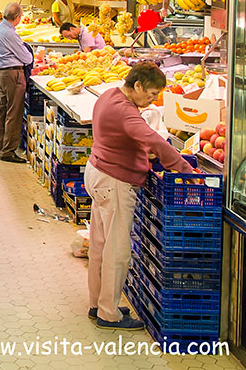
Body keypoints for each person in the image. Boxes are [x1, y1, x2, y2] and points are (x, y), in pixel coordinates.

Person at [86, 62, 195, 330]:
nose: (153, 100)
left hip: (98, 172)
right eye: (152, 94)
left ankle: (97, 303)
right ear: (137, 85)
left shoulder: (109, 95)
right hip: (115, 181)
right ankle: (108, 314)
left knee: (100, 244)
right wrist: (186, 169)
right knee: (117, 250)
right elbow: (154, 141)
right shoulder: (126, 112)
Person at [0, 2, 33, 163]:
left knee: (3, 110)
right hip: (12, 74)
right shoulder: (10, 33)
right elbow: (26, 57)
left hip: (2, 73)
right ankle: (8, 151)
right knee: (14, 113)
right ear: (17, 18)